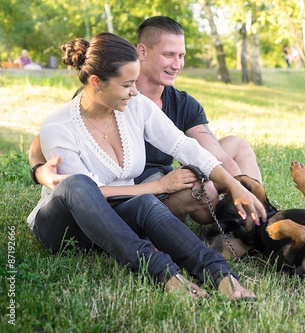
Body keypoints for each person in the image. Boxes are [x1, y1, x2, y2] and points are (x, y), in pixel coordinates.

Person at [28, 32, 267, 300]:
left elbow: (184, 145)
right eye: (127, 84)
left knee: (146, 204)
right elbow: (86, 195)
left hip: (116, 220)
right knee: (79, 183)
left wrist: (234, 185)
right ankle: (162, 273)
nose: (135, 91)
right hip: (65, 227)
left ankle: (221, 275)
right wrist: (157, 185)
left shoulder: (136, 106)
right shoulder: (58, 126)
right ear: (96, 82)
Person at [29, 16, 261, 224]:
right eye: (169, 55)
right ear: (142, 52)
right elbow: (47, 141)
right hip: (127, 190)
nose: (177, 64)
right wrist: (40, 171)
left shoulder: (180, 103)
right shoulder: (102, 95)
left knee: (236, 147)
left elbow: (196, 149)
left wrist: (235, 185)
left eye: (181, 56)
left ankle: (257, 218)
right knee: (205, 193)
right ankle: (231, 221)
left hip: (162, 177)